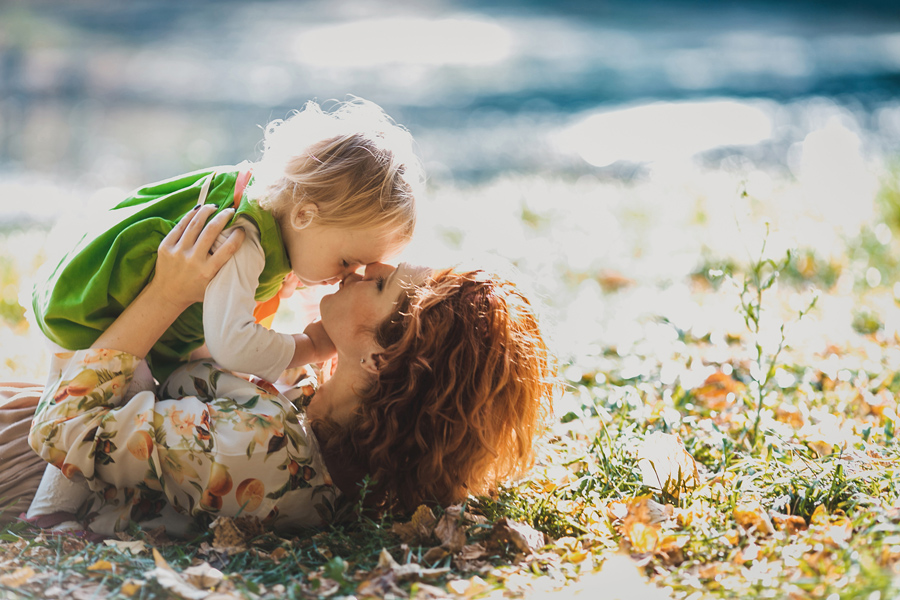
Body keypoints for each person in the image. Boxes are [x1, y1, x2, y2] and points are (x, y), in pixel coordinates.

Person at [16, 195, 555, 536]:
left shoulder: (261, 451)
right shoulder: (324, 421)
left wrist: (166, 294)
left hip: (21, 463)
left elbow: (64, 428)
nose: (369, 266)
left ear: (379, 358)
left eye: (384, 284)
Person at [32, 97, 423, 386]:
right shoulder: (243, 239)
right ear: (305, 215)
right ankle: (59, 501)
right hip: (89, 328)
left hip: (86, 304)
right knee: (136, 400)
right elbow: (231, 344)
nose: (345, 277)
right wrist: (311, 346)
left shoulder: (265, 205)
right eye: (344, 262)